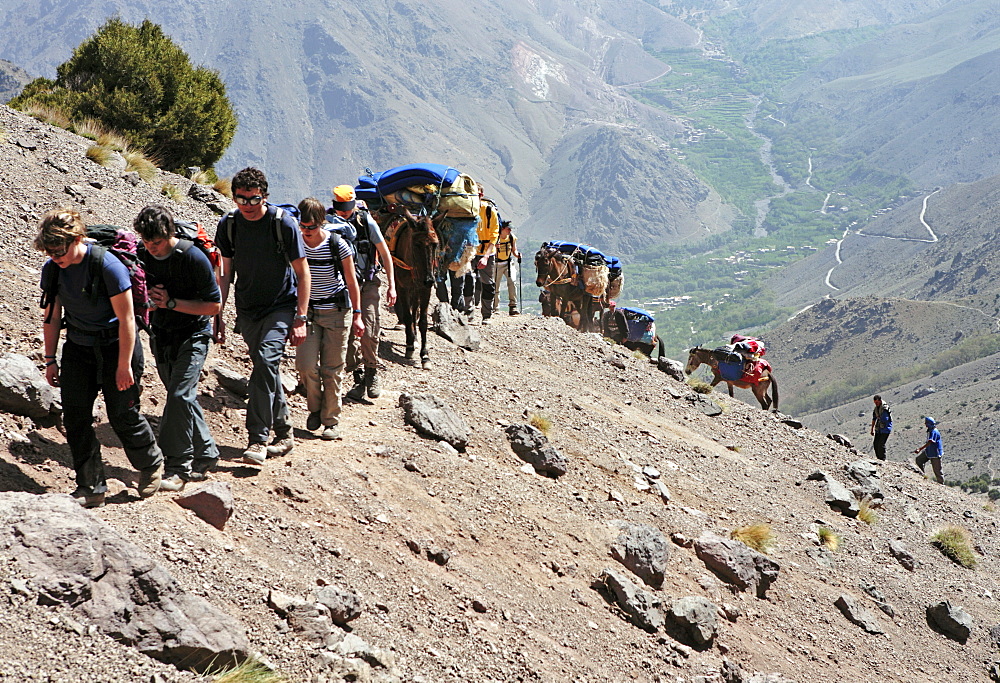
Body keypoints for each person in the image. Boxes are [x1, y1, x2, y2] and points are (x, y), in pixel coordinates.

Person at [35, 208, 163, 507]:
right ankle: (91, 487)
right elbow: (52, 316)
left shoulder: (107, 265)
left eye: (59, 250)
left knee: (123, 415)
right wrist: (50, 358)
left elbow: (128, 319)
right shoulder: (53, 269)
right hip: (78, 347)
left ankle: (151, 464)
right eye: (49, 251)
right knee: (76, 416)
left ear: (77, 239)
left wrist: (123, 366)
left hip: (117, 346)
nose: (55, 256)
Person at [216, 167, 310, 466]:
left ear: (265, 197)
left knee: (266, 363)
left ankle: (258, 438)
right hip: (247, 309)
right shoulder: (229, 224)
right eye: (240, 199)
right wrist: (218, 313)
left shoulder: (282, 224)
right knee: (264, 368)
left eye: (253, 200)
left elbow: (302, 272)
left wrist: (301, 318)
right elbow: (226, 272)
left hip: (281, 307)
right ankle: (284, 432)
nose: (246, 206)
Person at [134, 205, 221, 491]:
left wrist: (171, 303)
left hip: (193, 334)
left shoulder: (193, 257)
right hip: (161, 334)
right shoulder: (142, 254)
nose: (152, 248)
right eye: (147, 241)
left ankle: (177, 466)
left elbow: (213, 306)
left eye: (156, 242)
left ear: (169, 234)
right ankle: (207, 453)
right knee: (181, 396)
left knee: (180, 395)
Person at [295, 197, 365, 439]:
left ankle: (330, 420)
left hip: (337, 313)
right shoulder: (296, 244)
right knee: (305, 365)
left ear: (321, 224)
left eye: (311, 227)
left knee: (332, 368)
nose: (306, 232)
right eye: (302, 227)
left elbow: (351, 280)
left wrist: (358, 314)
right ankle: (315, 408)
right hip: (309, 314)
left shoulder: (338, 245)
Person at [329, 185, 396, 401]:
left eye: (346, 208)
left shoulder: (366, 222)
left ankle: (372, 371)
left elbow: (385, 254)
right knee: (344, 335)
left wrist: (392, 285)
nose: (343, 213)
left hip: (367, 284)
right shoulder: (329, 223)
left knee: (369, 329)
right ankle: (358, 376)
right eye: (340, 208)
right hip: (341, 287)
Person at [473, 185, 500, 323]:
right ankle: (467, 313)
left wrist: (485, 256)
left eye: (476, 194)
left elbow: (494, 236)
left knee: (488, 284)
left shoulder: (489, 211)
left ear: (481, 195)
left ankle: (486, 315)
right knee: (466, 280)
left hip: (487, 253)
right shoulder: (467, 210)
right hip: (470, 251)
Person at [493, 220, 521, 315]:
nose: (510, 230)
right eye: (508, 229)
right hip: (496, 264)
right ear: (502, 229)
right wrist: (494, 247)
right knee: (496, 285)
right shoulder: (495, 238)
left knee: (512, 282)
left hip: (508, 263)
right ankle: (495, 307)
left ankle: (513, 306)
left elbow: (514, 250)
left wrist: (518, 255)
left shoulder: (512, 237)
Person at [914, 416, 944, 483]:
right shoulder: (930, 431)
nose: (925, 425)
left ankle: (941, 485)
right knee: (919, 460)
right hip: (928, 451)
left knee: (937, 471)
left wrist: (920, 449)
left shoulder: (934, 432)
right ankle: (922, 476)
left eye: (926, 423)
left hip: (935, 454)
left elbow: (930, 441)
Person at [870, 394, 892, 461]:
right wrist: (872, 429)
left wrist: (879, 418)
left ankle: (883, 459)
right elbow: (874, 419)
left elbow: (885, 419)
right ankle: (878, 458)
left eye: (877, 402)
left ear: (880, 401)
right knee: (876, 444)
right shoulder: (876, 409)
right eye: (875, 403)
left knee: (881, 444)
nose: (876, 404)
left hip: (885, 429)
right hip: (878, 429)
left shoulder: (884, 408)